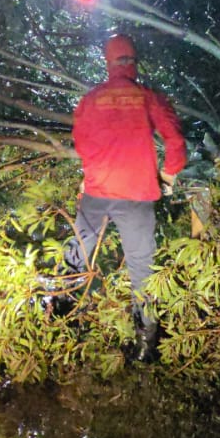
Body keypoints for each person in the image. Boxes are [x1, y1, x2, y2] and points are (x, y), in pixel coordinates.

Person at [69, 33, 187, 362]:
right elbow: (175, 140)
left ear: (108, 63)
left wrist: (91, 173)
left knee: (80, 249)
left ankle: (61, 308)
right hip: (137, 195)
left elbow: (81, 142)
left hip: (97, 191)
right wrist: (169, 174)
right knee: (142, 267)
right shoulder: (148, 97)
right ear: (134, 62)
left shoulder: (91, 99)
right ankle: (146, 345)